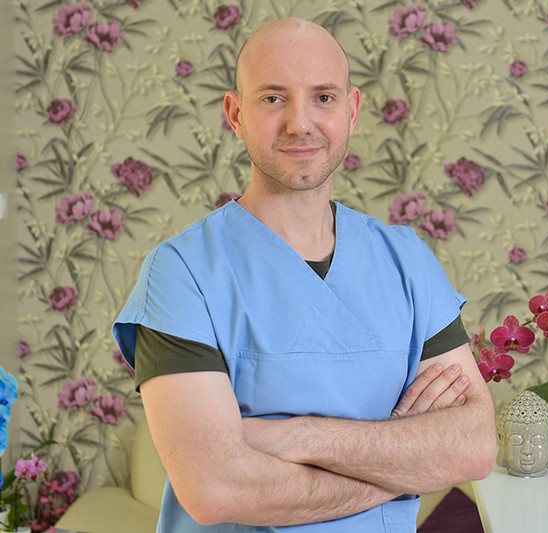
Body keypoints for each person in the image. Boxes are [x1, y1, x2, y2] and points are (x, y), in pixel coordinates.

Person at [112, 17, 495, 532]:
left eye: (323, 97)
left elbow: (473, 446)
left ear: (351, 111)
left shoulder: (407, 261)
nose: (299, 123)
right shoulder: (183, 273)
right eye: (273, 98)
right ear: (236, 115)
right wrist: (404, 465)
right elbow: (216, 489)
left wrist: (298, 436)